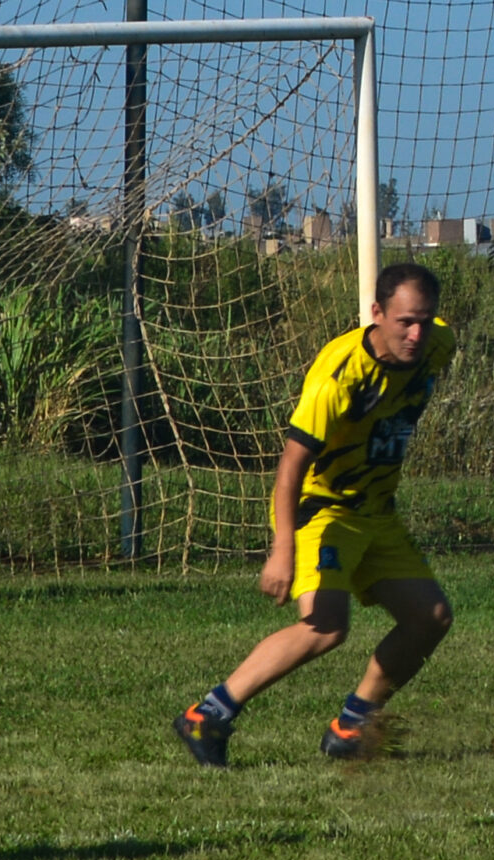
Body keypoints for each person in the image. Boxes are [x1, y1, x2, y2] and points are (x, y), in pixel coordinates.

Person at [173, 262, 456, 767]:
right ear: (376, 313)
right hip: (322, 510)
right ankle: (207, 715)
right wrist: (282, 550)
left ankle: (352, 727)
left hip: (376, 512)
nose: (416, 334)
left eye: (424, 321)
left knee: (430, 618)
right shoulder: (337, 378)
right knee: (325, 626)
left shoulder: (439, 344)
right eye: (404, 322)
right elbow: (290, 467)